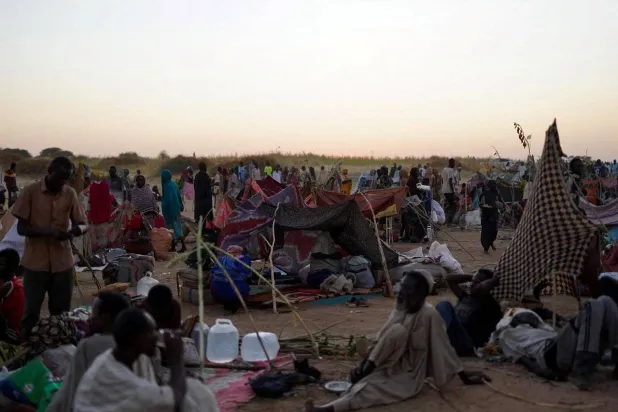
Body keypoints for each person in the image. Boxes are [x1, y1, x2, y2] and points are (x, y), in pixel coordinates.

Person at [305, 270, 489, 412]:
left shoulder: (429, 315)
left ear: (421, 295)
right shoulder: (400, 309)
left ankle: (330, 409)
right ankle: (363, 373)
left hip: (409, 374)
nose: (402, 293)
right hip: (387, 363)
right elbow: (383, 341)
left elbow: (444, 349)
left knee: (369, 390)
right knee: (393, 336)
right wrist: (365, 365)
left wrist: (465, 377)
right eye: (403, 288)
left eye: (409, 290)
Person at [73, 308, 218, 412]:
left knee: (193, 388)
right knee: (195, 395)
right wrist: (176, 359)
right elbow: (174, 399)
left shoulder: (112, 359)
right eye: (152, 331)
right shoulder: (122, 380)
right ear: (138, 339)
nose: (156, 336)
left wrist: (182, 372)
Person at [12, 157, 88, 336]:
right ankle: (27, 355)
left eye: (67, 178)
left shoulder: (70, 193)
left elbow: (84, 224)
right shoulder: (30, 192)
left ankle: (59, 354)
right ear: (50, 172)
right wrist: (49, 233)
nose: (63, 182)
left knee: (62, 315)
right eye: (60, 178)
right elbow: (21, 228)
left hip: (63, 263)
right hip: (35, 264)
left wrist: (76, 230)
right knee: (31, 314)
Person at [47, 291, 130, 412]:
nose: (90, 318)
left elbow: (71, 388)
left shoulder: (90, 345)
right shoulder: (134, 344)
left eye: (94, 314)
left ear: (105, 317)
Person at [518, 293, 618, 390]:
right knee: (592, 304)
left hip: (563, 343)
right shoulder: (515, 327)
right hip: (551, 354)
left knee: (605, 301)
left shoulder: (544, 319)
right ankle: (581, 369)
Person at [436, 269, 501, 356]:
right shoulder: (465, 297)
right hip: (451, 336)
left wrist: (489, 282)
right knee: (441, 307)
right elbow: (450, 279)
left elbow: (483, 288)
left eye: (476, 283)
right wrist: (472, 277)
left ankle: (436, 339)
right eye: (473, 282)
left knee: (444, 305)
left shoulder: (489, 304)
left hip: (466, 345)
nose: (472, 285)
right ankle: (436, 337)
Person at [211, 247, 252, 314]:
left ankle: (232, 306)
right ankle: (229, 305)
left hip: (232, 282)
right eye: (230, 252)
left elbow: (244, 269)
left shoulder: (243, 259)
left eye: (233, 252)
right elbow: (215, 269)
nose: (231, 254)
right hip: (225, 283)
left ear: (239, 252)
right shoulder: (223, 259)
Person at [0, 248, 23, 344]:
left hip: (11, 335)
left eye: (1, 265)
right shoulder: (6, 281)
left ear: (12, 268)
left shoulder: (12, 288)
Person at [160, 169, 186, 252]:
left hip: (170, 210)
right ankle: (181, 245)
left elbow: (168, 200)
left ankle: (174, 247)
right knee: (177, 227)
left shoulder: (167, 186)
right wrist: (181, 205)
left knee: (171, 228)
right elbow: (178, 195)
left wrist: (163, 203)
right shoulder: (173, 183)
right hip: (176, 208)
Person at [479, 180, 503, 253]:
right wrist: (484, 205)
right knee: (486, 232)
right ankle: (486, 248)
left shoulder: (497, 194)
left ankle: (491, 242)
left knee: (494, 232)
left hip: (494, 216)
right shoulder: (484, 194)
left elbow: (501, 204)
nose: (494, 186)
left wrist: (497, 204)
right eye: (492, 185)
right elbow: (481, 204)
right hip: (486, 216)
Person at [441, 158, 458, 224]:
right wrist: (453, 191)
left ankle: (444, 215)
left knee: (449, 204)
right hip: (449, 191)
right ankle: (449, 221)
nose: (454, 164)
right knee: (454, 205)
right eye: (454, 163)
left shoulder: (445, 169)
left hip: (444, 190)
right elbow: (450, 181)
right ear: (451, 163)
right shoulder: (450, 170)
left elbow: (443, 180)